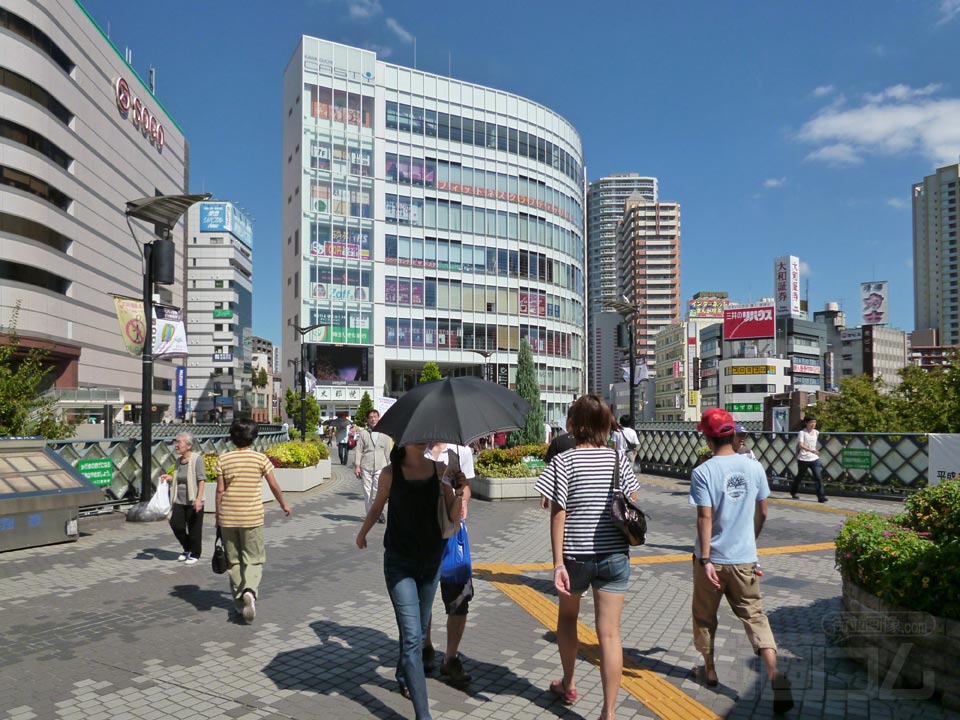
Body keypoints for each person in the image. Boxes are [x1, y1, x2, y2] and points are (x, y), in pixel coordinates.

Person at [534, 394, 640, 720]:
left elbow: (558, 514)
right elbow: (633, 500)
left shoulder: (563, 461)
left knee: (568, 619)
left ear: (573, 423)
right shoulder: (618, 459)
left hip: (575, 556)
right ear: (605, 424)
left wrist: (557, 564)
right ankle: (609, 713)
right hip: (615, 555)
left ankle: (568, 683)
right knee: (610, 634)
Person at [689, 408, 793, 713]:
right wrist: (751, 541)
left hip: (712, 560)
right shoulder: (754, 467)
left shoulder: (703, 472)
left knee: (705, 617)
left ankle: (709, 670)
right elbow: (763, 512)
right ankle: (774, 673)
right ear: (733, 434)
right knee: (755, 617)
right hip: (745, 558)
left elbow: (704, 518)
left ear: (708, 439)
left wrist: (706, 559)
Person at [356, 444, 466, 720]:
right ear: (404, 441)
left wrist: (460, 491)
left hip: (431, 564)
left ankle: (403, 674)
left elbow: (453, 516)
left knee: (414, 633)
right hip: (399, 564)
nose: (424, 439)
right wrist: (362, 533)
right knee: (413, 638)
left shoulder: (439, 470)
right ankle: (423, 715)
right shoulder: (390, 473)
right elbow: (377, 507)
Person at [215, 418, 292, 624]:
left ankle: (239, 602)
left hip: (228, 517)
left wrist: (218, 516)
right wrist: (284, 504)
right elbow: (274, 485)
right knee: (253, 558)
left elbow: (220, 490)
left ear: (232, 438)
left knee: (233, 561)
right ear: (254, 437)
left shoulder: (223, 459)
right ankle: (250, 590)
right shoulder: (260, 459)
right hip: (252, 517)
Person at [422, 442, 475, 686]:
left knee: (459, 598)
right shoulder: (417, 449)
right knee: (423, 597)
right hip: (424, 535)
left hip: (453, 535)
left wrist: (463, 497)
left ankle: (450, 658)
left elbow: (467, 489)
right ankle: (425, 647)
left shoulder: (461, 451)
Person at [161, 432, 206, 565]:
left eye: (178, 442)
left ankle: (195, 554)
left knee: (194, 529)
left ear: (189, 445)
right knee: (176, 524)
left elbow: (201, 480)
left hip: (193, 500)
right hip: (178, 500)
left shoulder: (197, 459)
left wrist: (199, 499)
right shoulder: (178, 461)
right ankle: (187, 548)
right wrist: (169, 478)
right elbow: (179, 478)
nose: (176, 445)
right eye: (176, 442)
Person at [354, 409, 393, 522]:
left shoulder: (385, 434)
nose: (373, 419)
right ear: (367, 420)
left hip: (381, 466)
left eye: (375, 417)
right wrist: (357, 466)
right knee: (367, 492)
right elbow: (359, 450)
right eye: (370, 417)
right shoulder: (364, 433)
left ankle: (379, 512)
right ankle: (370, 516)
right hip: (366, 465)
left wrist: (391, 468)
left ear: (378, 418)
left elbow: (388, 452)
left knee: (378, 492)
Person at [789, 415, 827, 502]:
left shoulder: (816, 432)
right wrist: (811, 450)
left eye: (814, 422)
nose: (813, 424)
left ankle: (821, 496)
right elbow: (801, 445)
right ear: (806, 423)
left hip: (814, 458)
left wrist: (814, 451)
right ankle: (793, 491)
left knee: (818, 477)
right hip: (803, 458)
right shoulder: (802, 433)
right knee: (800, 476)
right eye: (811, 422)